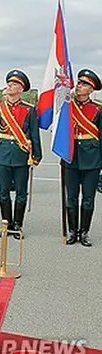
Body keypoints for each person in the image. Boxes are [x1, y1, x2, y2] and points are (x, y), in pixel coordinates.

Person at [0, 70, 42, 237]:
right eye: (9, 83)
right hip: (2, 155)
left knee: (21, 193)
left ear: (21, 89)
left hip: (21, 155)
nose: (10, 86)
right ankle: (6, 224)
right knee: (3, 192)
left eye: (14, 84)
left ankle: (17, 225)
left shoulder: (29, 110)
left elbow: (34, 134)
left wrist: (36, 155)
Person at [64, 69, 102, 246]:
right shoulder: (67, 107)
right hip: (71, 156)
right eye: (79, 82)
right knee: (71, 196)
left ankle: (84, 232)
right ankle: (72, 231)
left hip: (92, 159)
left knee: (88, 197)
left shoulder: (98, 110)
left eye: (84, 84)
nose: (79, 86)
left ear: (92, 89)